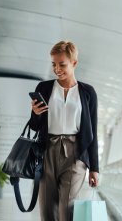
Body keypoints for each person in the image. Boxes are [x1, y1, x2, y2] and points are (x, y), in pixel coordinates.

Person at [28, 40, 99, 221]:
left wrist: (94, 168)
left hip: (76, 154)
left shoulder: (88, 93)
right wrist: (35, 114)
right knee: (47, 210)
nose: (57, 69)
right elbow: (35, 126)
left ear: (74, 63)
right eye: (54, 64)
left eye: (62, 64)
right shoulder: (43, 88)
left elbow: (93, 132)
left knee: (66, 209)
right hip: (47, 152)